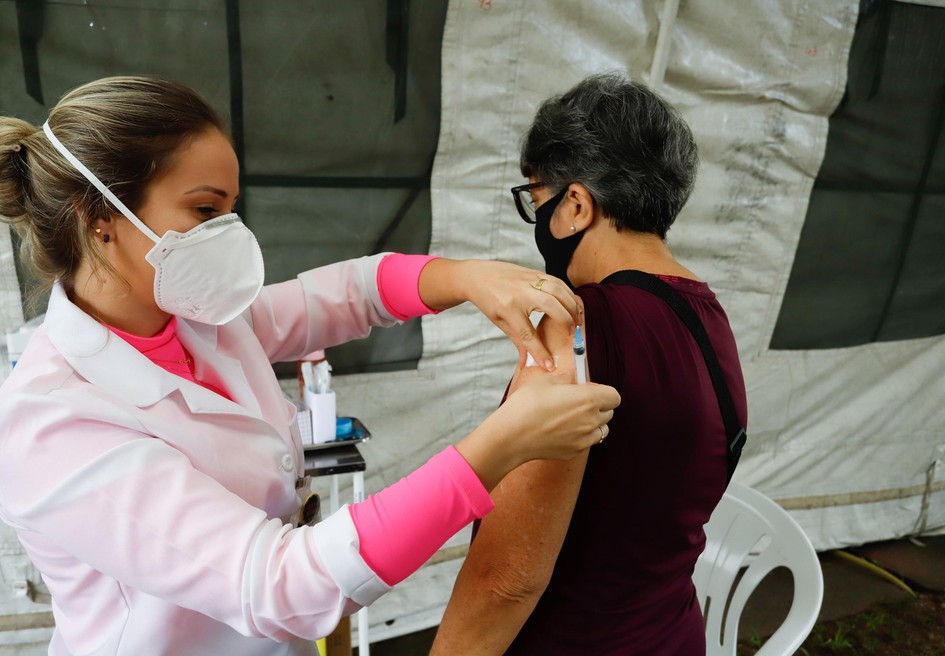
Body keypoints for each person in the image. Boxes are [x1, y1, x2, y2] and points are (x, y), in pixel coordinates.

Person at [0, 76, 621, 656]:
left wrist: (463, 277)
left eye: (231, 208)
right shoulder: (50, 422)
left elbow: (343, 295)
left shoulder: (194, 319)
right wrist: (500, 447)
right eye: (204, 211)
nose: (230, 234)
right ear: (98, 220)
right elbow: (279, 583)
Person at [430, 74, 748, 655]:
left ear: (575, 204)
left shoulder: (575, 326)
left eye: (537, 199)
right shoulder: (709, 316)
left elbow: (507, 579)